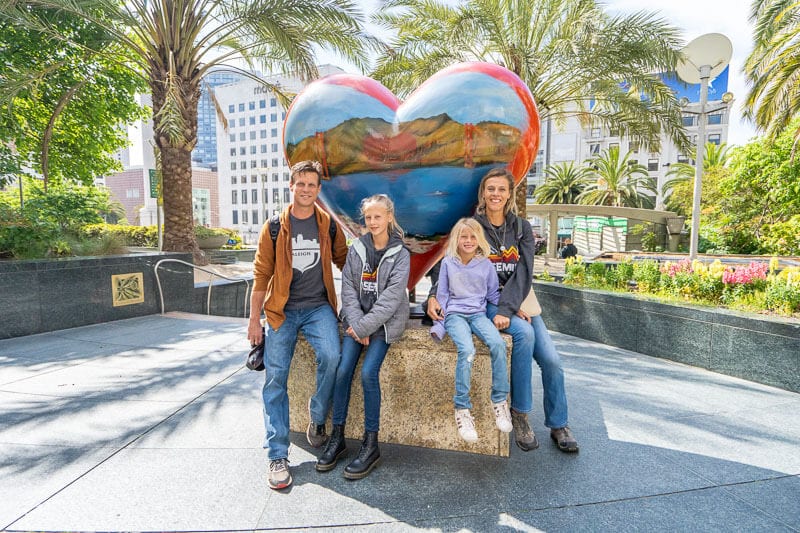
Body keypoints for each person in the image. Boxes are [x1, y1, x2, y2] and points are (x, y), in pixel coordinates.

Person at [427, 167, 579, 453]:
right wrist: (434, 295)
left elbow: (525, 271)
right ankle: (520, 414)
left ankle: (558, 423)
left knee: (553, 361)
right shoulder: (471, 226)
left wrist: (509, 307)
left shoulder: (521, 228)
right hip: (482, 302)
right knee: (524, 336)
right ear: (483, 193)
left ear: (510, 194)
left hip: (518, 301)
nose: (496, 194)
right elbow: (446, 261)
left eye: (502, 189)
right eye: (491, 188)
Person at [248, 160, 348, 490]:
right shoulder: (275, 226)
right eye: (300, 184)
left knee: (332, 357)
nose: (306, 189)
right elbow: (261, 276)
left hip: (319, 307)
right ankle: (277, 454)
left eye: (312, 185)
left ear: (319, 190)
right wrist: (254, 321)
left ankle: (317, 416)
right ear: (291, 186)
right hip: (281, 311)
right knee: (275, 378)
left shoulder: (328, 225)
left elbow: (347, 263)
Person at [316, 194, 410, 479]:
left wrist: (366, 328)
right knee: (343, 370)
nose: (372, 222)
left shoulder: (401, 254)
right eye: (368, 218)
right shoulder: (356, 249)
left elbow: (392, 299)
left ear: (389, 218)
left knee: (369, 373)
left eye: (378, 217)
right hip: (356, 323)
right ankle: (338, 436)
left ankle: (371, 444)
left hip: (383, 325)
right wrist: (356, 325)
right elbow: (348, 290)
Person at [430, 218, 513, 442]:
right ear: (457, 240)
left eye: (473, 236)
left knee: (497, 344)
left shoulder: (486, 264)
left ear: (479, 240)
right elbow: (443, 294)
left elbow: (493, 295)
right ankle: (462, 409)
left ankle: (499, 402)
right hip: (455, 314)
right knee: (467, 350)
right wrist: (440, 321)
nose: (468, 241)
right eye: (464, 236)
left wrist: (513, 308)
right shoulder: (448, 263)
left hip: (478, 314)